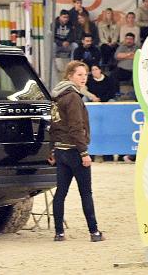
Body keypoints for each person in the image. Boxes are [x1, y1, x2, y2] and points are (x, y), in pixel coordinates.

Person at [49, 60, 105, 242]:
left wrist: (52, 149)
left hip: (60, 150)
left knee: (61, 193)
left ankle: (59, 233)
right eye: (79, 74)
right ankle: (94, 232)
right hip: (74, 151)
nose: (83, 78)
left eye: (85, 74)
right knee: (86, 192)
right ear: (70, 76)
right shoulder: (73, 97)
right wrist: (84, 152)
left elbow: (53, 125)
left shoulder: (57, 95)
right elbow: (75, 127)